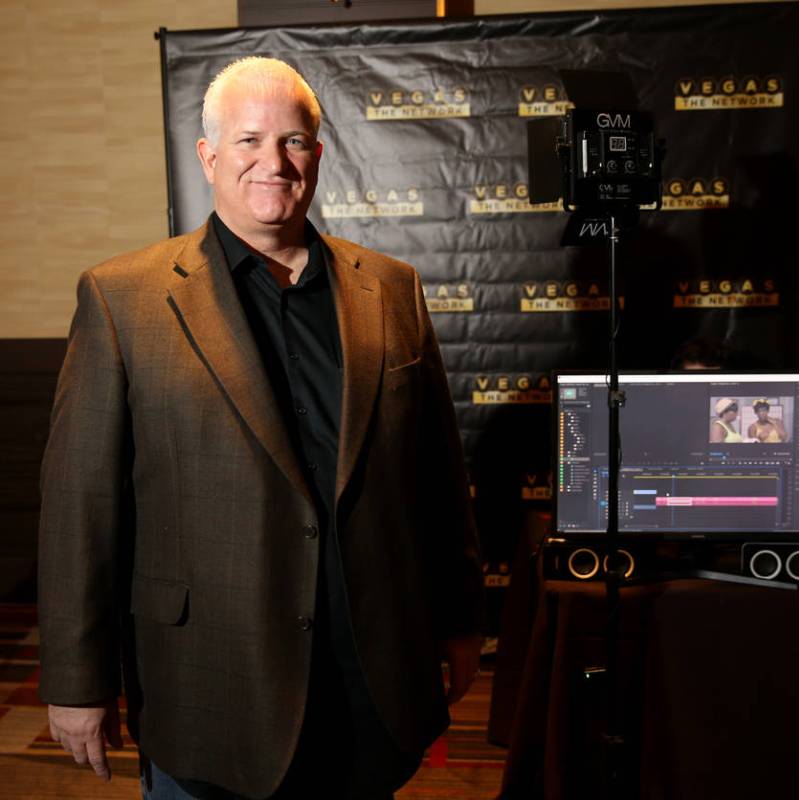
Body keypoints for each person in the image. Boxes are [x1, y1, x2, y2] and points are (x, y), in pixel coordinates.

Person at [37, 57, 485, 800]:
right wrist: (76, 680)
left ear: (318, 152)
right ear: (209, 156)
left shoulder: (392, 288)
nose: (272, 162)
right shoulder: (123, 298)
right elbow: (80, 508)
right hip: (209, 680)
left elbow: (437, 478)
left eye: (294, 141)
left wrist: (462, 619)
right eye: (248, 141)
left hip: (367, 674)